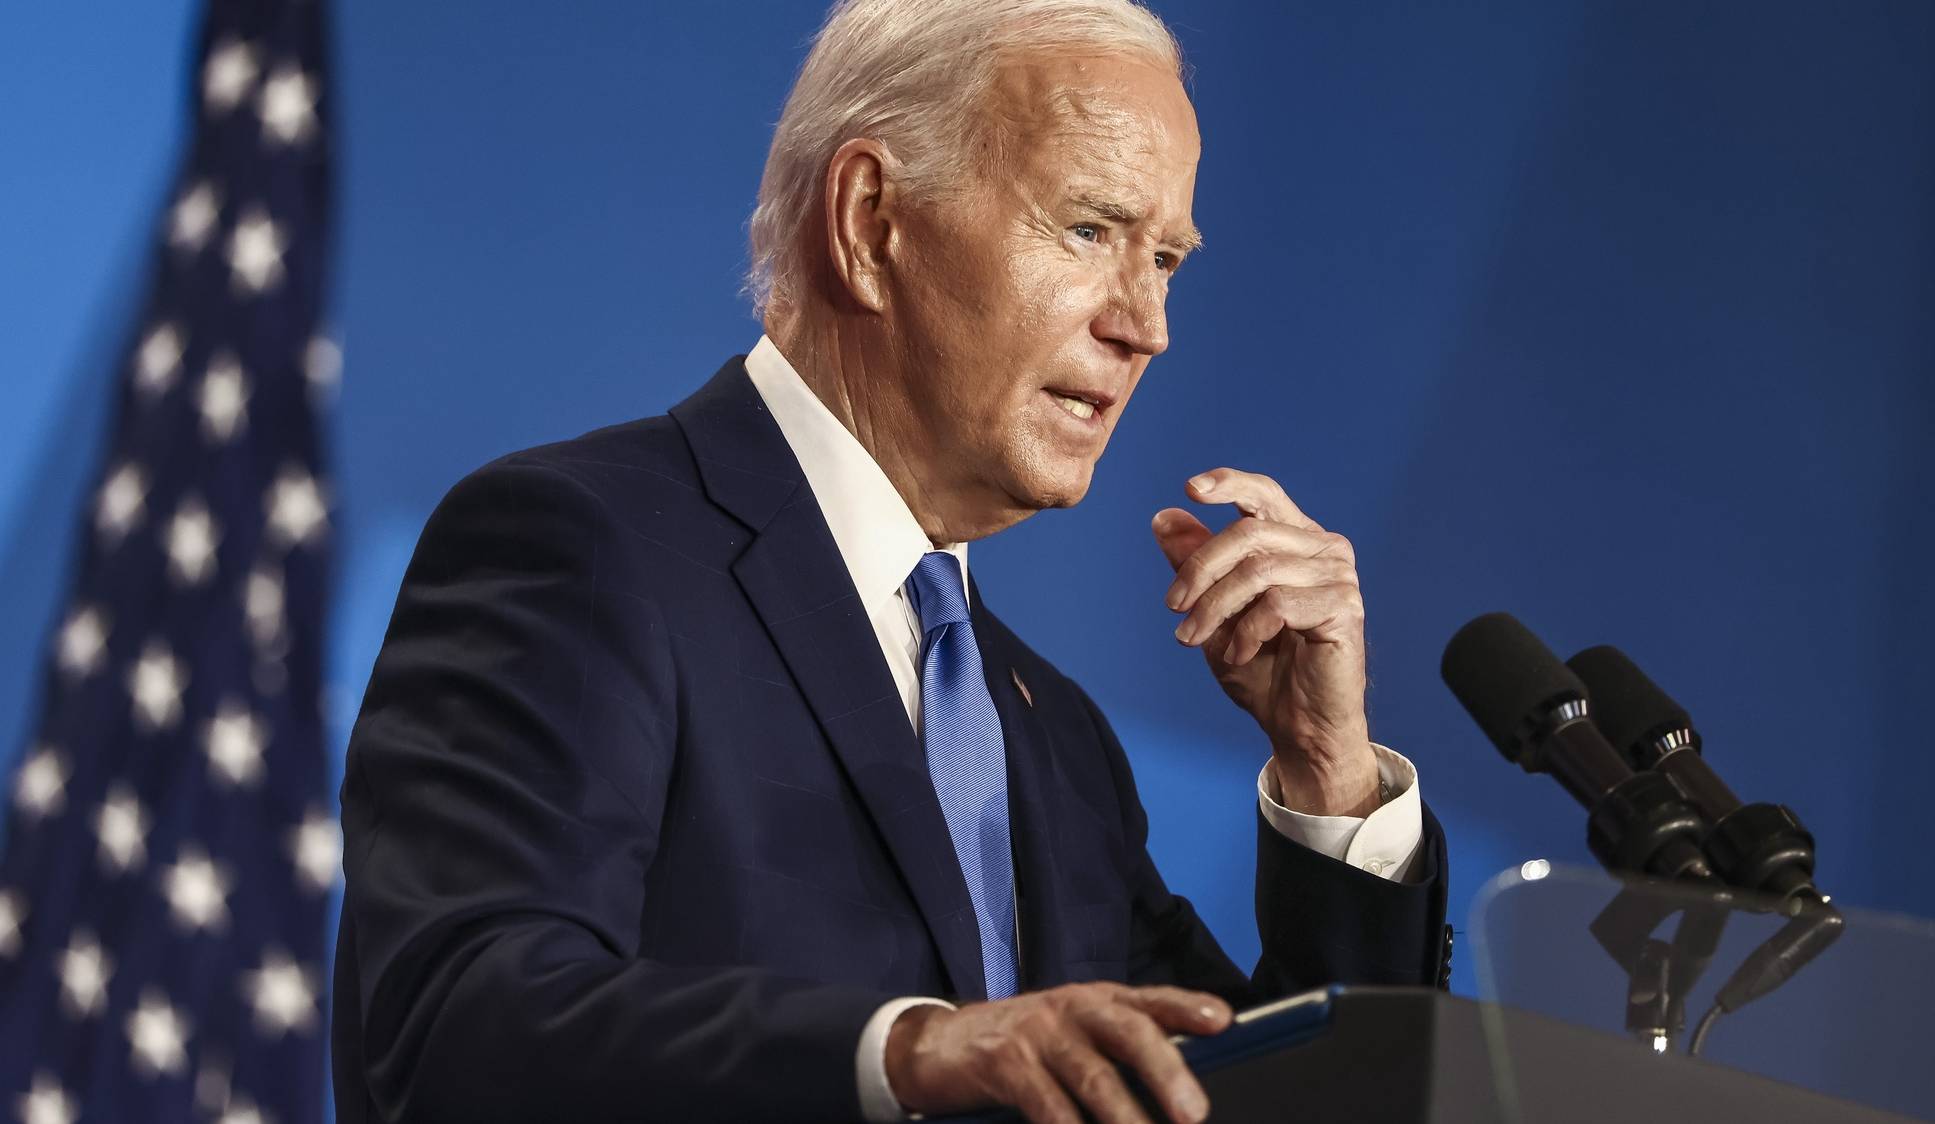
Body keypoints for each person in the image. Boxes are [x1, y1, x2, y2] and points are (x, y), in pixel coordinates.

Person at [331, 1, 1450, 1121]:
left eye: (1164, 257)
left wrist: (1326, 774)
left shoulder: (1053, 738)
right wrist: (902, 1054)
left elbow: (1282, 1101)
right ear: (871, 222)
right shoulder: (584, 547)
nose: (1145, 321)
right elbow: (450, 1026)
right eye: (1088, 230)